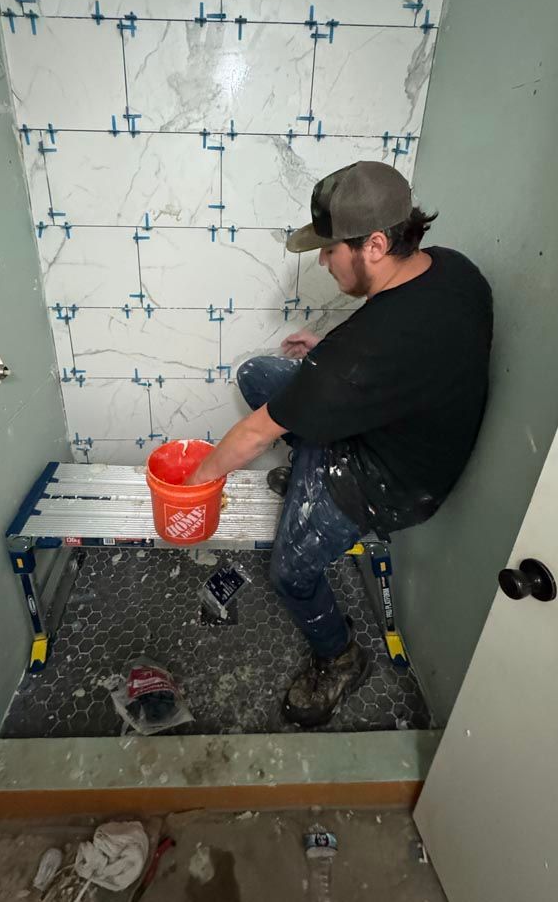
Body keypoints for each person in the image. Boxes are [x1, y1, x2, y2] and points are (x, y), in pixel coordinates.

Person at [187, 161, 493, 727]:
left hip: (391, 479)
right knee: (259, 375)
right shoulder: (452, 268)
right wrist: (330, 349)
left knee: (289, 572)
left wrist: (196, 483)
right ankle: (310, 463)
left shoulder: (354, 361)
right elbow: (393, 340)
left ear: (374, 244)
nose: (323, 262)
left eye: (330, 250)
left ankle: (341, 657)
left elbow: (254, 434)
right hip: (399, 421)